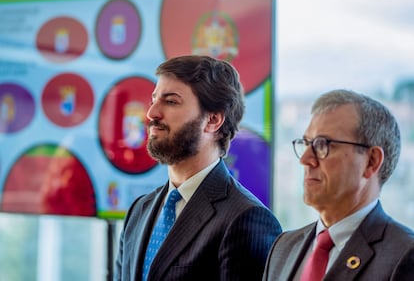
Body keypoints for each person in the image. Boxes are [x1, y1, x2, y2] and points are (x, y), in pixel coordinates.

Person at [114, 55, 282, 281]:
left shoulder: (247, 218)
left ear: (213, 120)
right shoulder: (140, 210)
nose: (152, 113)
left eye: (171, 101)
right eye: (154, 99)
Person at [262, 89, 414, 281]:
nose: (306, 159)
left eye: (322, 144)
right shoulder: (283, 247)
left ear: (371, 161)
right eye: (306, 143)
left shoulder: (404, 255)